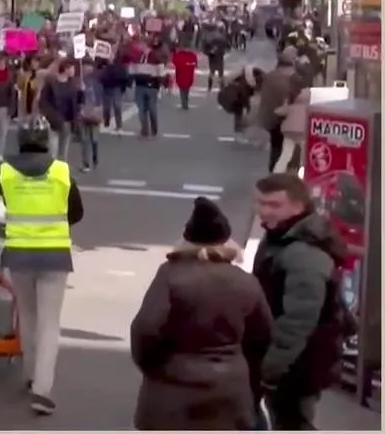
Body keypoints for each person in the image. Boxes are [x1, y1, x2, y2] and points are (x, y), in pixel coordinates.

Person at [0, 116, 84, 416]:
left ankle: (30, 374)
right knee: (49, 323)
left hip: (20, 255)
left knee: (28, 315)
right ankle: (42, 391)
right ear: (46, 141)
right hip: (55, 256)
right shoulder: (61, 172)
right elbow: (77, 213)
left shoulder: (7, 172)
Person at [130, 197, 273, 430]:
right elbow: (262, 339)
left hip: (173, 387)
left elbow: (146, 328)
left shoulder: (170, 275)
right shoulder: (246, 282)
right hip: (229, 389)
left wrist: (154, 368)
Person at [250, 173, 350, 430]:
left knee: (292, 423)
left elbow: (298, 320)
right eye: (260, 202)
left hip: (299, 363)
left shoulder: (302, 252)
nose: (264, 211)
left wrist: (270, 369)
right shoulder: (281, 236)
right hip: (294, 359)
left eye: (274, 205)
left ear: (298, 206)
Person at [171, 45, 199, 111]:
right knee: (186, 89)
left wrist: (174, 53)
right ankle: (185, 101)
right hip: (189, 76)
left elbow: (174, 61)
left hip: (180, 75)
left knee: (182, 90)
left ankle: (184, 103)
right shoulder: (192, 55)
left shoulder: (179, 55)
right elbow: (195, 64)